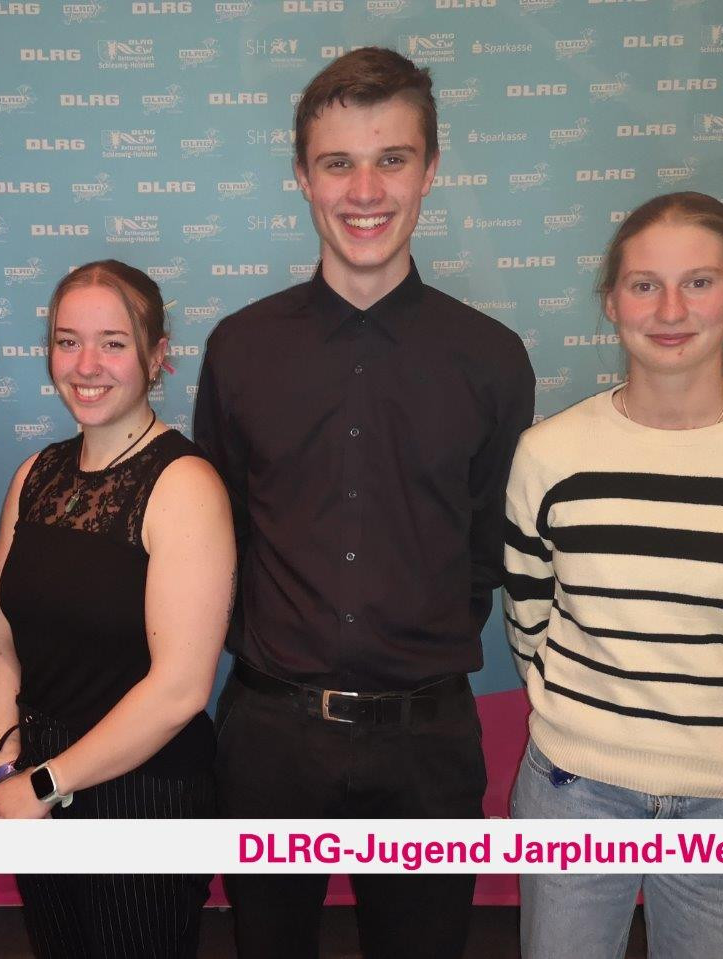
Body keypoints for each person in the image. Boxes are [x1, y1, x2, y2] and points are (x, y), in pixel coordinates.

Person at [194, 47, 536, 958]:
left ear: (431, 170)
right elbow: (218, 536)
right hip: (270, 738)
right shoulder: (239, 349)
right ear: (302, 176)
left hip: (428, 744)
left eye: (392, 158)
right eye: (338, 162)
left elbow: (484, 550)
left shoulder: (492, 359)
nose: (365, 190)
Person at [503, 191, 723, 959]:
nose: (670, 309)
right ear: (611, 300)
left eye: (698, 281)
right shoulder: (549, 455)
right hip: (573, 792)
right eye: (645, 284)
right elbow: (530, 620)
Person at [0, 260, 235, 958]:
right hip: (35, 783)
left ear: (157, 355)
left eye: (113, 343)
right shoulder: (36, 475)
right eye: (68, 341)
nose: (86, 365)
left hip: (143, 795)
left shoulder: (185, 486)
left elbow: (180, 688)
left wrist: (45, 784)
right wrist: (6, 771)